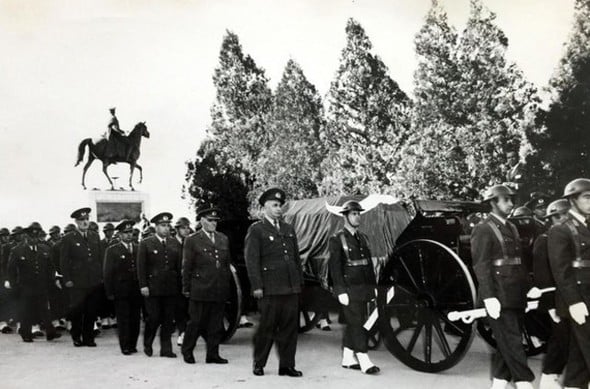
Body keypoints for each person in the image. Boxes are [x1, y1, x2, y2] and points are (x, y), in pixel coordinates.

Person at [471, 184, 534, 389]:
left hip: (515, 292)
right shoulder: (483, 228)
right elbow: (481, 265)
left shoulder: (511, 227)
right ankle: (525, 384)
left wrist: (528, 287)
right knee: (514, 343)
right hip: (498, 294)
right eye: (505, 199)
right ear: (492, 202)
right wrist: (489, 297)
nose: (511, 204)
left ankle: (498, 384)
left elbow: (518, 262)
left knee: (506, 343)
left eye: (511, 200)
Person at [245, 188, 303, 377]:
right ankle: (259, 363)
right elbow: (252, 260)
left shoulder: (288, 228)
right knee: (267, 328)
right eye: (275, 205)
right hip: (270, 289)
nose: (279, 209)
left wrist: (298, 283)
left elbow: (295, 258)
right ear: (264, 208)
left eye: (280, 206)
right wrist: (257, 286)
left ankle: (287, 366)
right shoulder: (257, 230)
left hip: (289, 287)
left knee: (289, 329)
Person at [328, 200, 379, 374]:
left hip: (363, 287)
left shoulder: (363, 237)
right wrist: (340, 290)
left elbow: (368, 265)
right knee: (357, 323)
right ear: (345, 216)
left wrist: (373, 288)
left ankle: (348, 358)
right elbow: (334, 267)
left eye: (359, 213)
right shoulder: (337, 239)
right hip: (349, 289)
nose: (357, 217)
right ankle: (363, 359)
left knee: (355, 323)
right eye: (353, 214)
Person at [548, 178, 590, 389]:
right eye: (587, 197)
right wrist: (574, 302)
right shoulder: (561, 229)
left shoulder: (587, 225)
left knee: (579, 360)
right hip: (578, 299)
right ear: (572, 200)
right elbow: (561, 270)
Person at [181, 205, 231, 365]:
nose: (213, 223)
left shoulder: (223, 238)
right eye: (210, 220)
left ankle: (213, 354)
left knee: (215, 324)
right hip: (200, 288)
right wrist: (186, 288)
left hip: (218, 288)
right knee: (195, 323)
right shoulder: (192, 240)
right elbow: (187, 266)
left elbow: (226, 265)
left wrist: (226, 286)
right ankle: (187, 351)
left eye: (215, 221)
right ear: (202, 221)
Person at [533, 199, 571, 389]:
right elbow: (542, 278)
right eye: (565, 216)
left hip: (570, 295)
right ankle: (549, 378)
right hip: (555, 298)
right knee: (561, 337)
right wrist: (550, 307)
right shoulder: (544, 240)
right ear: (556, 217)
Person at [6, 222, 61, 343]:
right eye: (32, 237)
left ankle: (50, 332)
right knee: (26, 310)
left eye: (36, 237)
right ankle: (26, 333)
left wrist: (52, 280)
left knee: (45, 309)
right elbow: (11, 270)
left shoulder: (45, 249)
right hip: (25, 286)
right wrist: (14, 285)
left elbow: (50, 267)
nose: (34, 239)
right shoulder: (17, 250)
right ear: (27, 236)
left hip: (42, 285)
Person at [137, 212, 181, 358]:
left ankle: (166, 349)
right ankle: (148, 344)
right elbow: (141, 267)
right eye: (163, 225)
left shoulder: (174, 243)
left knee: (168, 320)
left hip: (170, 288)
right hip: (153, 288)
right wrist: (143, 285)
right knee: (153, 318)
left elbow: (179, 266)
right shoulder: (146, 243)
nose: (166, 228)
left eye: (168, 225)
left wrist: (180, 286)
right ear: (156, 227)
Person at [60, 207, 104, 347]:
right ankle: (76, 337)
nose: (85, 222)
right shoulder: (68, 238)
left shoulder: (94, 236)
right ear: (76, 222)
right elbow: (64, 261)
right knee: (77, 311)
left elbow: (100, 258)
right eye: (81, 220)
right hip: (77, 281)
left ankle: (88, 338)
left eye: (86, 219)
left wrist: (101, 276)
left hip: (93, 281)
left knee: (91, 311)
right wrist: (67, 279)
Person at [103, 220, 141, 355]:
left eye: (130, 232)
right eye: (125, 233)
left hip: (136, 290)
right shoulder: (113, 250)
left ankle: (133, 344)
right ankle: (125, 345)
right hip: (121, 290)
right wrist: (109, 291)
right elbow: (108, 272)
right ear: (119, 234)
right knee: (123, 319)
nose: (129, 235)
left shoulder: (138, 248)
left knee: (135, 318)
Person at [174, 217, 191, 347]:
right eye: (183, 228)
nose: (186, 230)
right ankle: (182, 332)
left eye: (187, 228)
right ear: (177, 229)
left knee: (191, 308)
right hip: (176, 281)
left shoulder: (191, 242)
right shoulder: (171, 243)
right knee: (180, 308)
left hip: (190, 280)